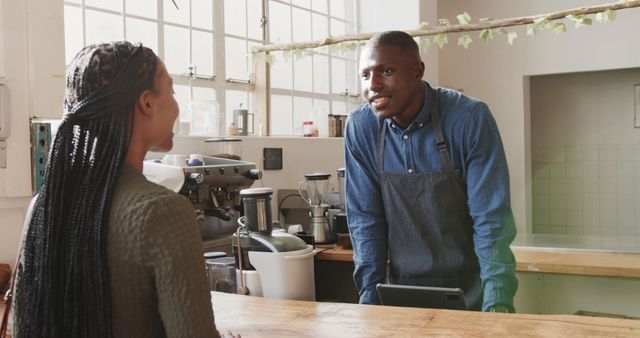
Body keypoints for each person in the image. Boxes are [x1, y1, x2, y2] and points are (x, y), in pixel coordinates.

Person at [12, 42, 222, 337]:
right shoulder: (161, 210)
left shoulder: (42, 207)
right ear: (147, 102)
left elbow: (23, 327)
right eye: (171, 91)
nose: (176, 106)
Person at [344, 31, 518, 312]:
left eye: (385, 71)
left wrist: (497, 303)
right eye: (365, 75)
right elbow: (365, 220)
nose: (373, 85)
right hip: (400, 294)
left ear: (417, 71)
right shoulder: (361, 127)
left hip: (474, 291)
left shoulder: (469, 119)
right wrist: (369, 302)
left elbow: (491, 221)